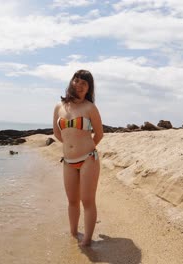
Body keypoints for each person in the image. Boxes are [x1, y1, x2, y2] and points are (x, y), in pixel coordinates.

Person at [53, 69, 104, 247]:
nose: (79, 85)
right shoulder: (59, 107)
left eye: (84, 83)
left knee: (87, 200)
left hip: (88, 159)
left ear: (88, 89)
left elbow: (99, 134)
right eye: (77, 81)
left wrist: (87, 149)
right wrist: (69, 147)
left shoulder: (90, 108)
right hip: (67, 161)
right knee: (72, 201)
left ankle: (87, 239)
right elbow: (57, 133)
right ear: (71, 82)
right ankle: (74, 232)